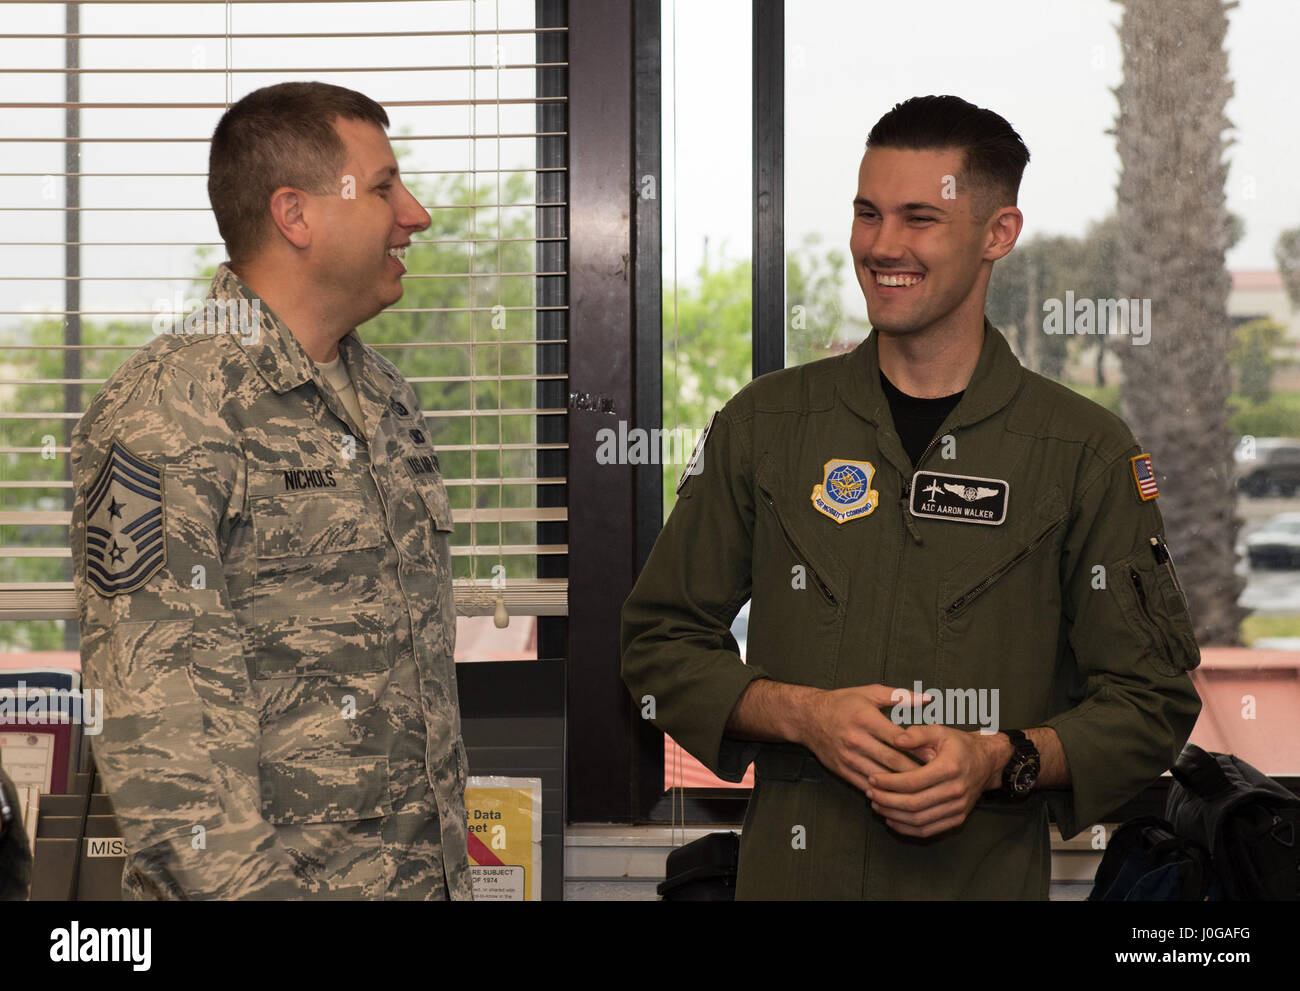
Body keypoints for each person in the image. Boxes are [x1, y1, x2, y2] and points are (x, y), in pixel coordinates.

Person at [621, 95, 1202, 899]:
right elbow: (658, 643)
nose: (881, 245)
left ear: (998, 232)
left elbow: (1151, 701)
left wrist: (1002, 759)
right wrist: (802, 715)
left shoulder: (1084, 453)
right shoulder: (767, 424)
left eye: (919, 217)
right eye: (868, 213)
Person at [70, 82, 471, 899]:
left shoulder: (388, 399)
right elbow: (161, 742)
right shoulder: (166, 408)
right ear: (296, 215)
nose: (416, 215)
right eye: (386, 187)